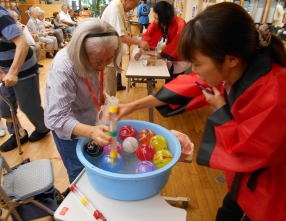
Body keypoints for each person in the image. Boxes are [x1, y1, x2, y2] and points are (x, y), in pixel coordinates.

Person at [115, 3, 286, 221]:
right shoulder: (234, 70)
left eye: (197, 63)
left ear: (231, 58)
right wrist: (130, 106)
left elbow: (248, 149)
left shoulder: (277, 92)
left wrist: (220, 108)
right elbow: (186, 86)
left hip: (272, 188)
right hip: (243, 179)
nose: (194, 70)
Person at [44, 18, 122, 183]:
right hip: (69, 131)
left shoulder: (98, 55)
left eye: (109, 59)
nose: (103, 65)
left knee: (94, 164)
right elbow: (56, 118)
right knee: (79, 172)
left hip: (91, 120)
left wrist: (103, 96)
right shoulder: (63, 68)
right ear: (81, 53)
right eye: (97, 61)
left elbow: (93, 82)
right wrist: (91, 132)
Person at [0, 2, 50, 152]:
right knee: (5, 107)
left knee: (28, 105)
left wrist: (13, 72)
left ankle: (43, 128)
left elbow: (22, 44)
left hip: (23, 67)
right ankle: (18, 134)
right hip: (3, 67)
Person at [101, 0, 149, 96]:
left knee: (111, 85)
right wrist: (139, 42)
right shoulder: (115, 10)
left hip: (109, 52)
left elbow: (116, 31)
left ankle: (111, 106)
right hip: (106, 53)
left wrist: (125, 33)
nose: (134, 8)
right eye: (134, 4)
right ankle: (109, 108)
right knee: (109, 89)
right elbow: (120, 36)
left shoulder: (118, 7)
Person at [134, 1, 190, 83]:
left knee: (176, 81)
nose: (155, 21)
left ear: (164, 17)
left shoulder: (180, 25)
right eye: (154, 18)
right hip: (171, 52)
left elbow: (176, 45)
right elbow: (148, 35)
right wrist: (140, 51)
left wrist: (161, 54)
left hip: (181, 55)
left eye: (157, 18)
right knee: (168, 79)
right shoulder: (159, 21)